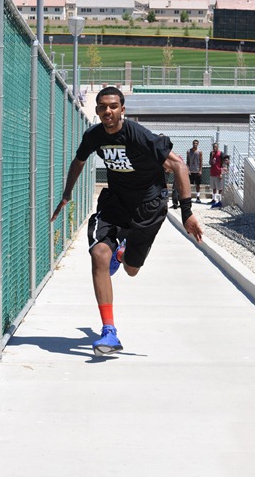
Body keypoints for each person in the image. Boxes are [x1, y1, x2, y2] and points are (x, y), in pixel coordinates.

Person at [51, 86, 203, 356]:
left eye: (112, 106)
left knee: (132, 269)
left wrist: (187, 212)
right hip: (116, 202)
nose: (107, 111)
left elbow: (179, 165)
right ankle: (108, 330)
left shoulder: (137, 135)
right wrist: (66, 194)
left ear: (122, 109)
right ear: (97, 110)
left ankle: (122, 255)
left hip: (149, 204)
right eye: (102, 107)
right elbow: (79, 160)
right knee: (98, 253)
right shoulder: (94, 136)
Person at [186, 139, 203, 203]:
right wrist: (188, 169)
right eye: (194, 143)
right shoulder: (188, 151)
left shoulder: (199, 151)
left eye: (196, 143)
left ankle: (198, 197)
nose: (195, 144)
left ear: (198, 144)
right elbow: (187, 161)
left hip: (197, 170)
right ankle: (189, 197)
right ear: (192, 144)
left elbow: (201, 161)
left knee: (198, 185)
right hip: (191, 171)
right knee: (189, 185)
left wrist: (200, 170)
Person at [209, 141, 224, 207]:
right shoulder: (211, 153)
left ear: (217, 147)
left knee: (220, 188)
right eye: (213, 147)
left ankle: (220, 200)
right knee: (214, 187)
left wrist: (221, 173)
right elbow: (210, 163)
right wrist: (212, 157)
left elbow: (223, 164)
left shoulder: (220, 153)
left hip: (218, 173)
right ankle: (214, 199)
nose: (214, 148)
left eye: (216, 147)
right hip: (212, 172)